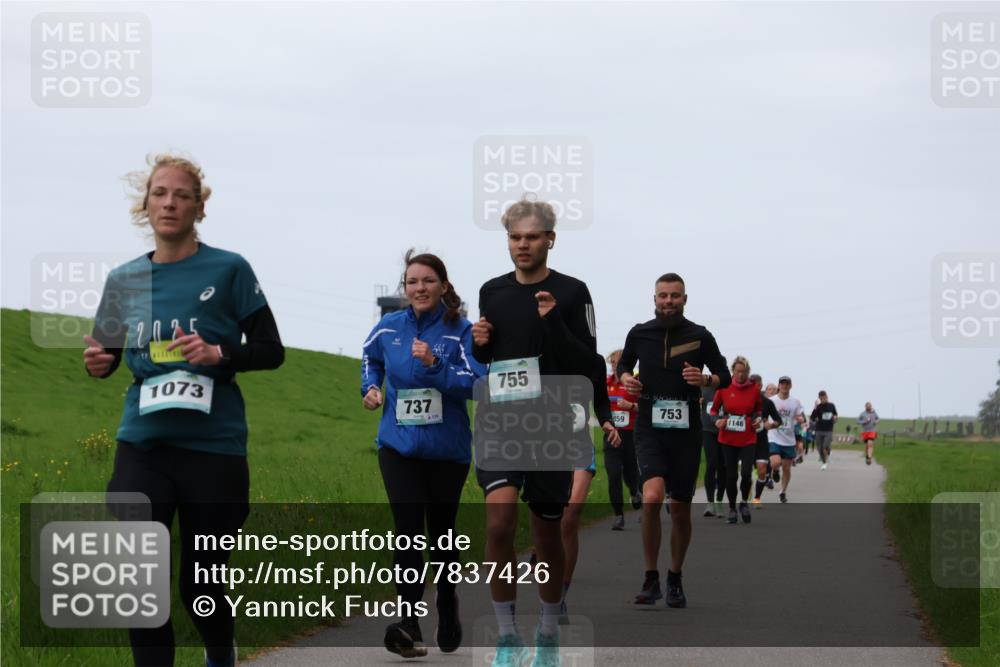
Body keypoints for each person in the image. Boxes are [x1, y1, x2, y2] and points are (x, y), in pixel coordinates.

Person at [84, 154, 284, 667]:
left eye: (182, 195)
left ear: (199, 207)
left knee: (202, 583)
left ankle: (221, 653)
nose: (169, 202)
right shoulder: (124, 278)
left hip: (212, 448)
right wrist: (98, 362)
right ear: (145, 204)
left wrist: (220, 353)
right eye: (159, 193)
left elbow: (270, 350)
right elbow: (105, 356)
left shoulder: (229, 268)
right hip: (144, 444)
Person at [471, 199, 598, 666]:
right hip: (499, 422)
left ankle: (547, 633)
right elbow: (492, 357)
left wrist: (554, 323)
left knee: (547, 534)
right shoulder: (492, 291)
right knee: (499, 525)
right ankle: (507, 637)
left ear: (550, 239)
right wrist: (478, 344)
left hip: (549, 424)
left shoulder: (572, 291)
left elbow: (587, 361)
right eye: (514, 237)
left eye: (531, 237)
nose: (522, 245)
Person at [361, 250, 486, 658]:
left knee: (442, 535)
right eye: (412, 281)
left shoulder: (461, 330)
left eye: (428, 280)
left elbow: (475, 383)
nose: (419, 288)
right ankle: (409, 621)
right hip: (397, 445)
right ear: (405, 287)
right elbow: (370, 358)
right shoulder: (388, 327)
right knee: (408, 527)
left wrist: (435, 365)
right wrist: (371, 388)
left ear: (444, 286)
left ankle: (447, 602)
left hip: (446, 450)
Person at [618, 273, 731, 608]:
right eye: (663, 295)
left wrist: (706, 378)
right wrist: (627, 378)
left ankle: (675, 577)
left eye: (675, 296)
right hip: (650, 423)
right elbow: (625, 365)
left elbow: (722, 372)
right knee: (652, 496)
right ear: (654, 299)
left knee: (680, 509)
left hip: (686, 427)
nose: (668, 301)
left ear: (684, 299)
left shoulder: (699, 335)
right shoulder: (640, 333)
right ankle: (650, 577)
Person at [559, 354, 620, 621]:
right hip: (544, 446)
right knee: (550, 520)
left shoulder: (592, 361)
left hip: (579, 446)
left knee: (570, 516)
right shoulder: (540, 351)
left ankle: (560, 594)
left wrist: (607, 423)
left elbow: (601, 401)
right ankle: (544, 552)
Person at [710, 357, 761, 524]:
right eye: (737, 371)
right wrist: (717, 420)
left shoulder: (754, 390)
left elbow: (759, 411)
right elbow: (713, 410)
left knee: (746, 473)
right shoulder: (724, 388)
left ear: (748, 372)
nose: (740, 374)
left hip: (748, 437)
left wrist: (757, 420)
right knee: (731, 476)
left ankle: (744, 503)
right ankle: (732, 508)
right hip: (728, 437)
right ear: (733, 371)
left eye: (743, 371)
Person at [604, 349, 641, 529]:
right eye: (612, 363)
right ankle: (618, 515)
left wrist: (631, 406)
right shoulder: (606, 383)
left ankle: (634, 491)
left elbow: (647, 408)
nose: (614, 366)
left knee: (631, 473)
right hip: (611, 434)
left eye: (617, 363)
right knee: (613, 473)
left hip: (630, 435)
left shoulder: (634, 384)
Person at [767, 376, 805, 503]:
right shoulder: (771, 400)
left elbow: (800, 415)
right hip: (774, 436)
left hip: (789, 439)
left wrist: (800, 419)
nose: (784, 386)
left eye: (787, 384)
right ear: (779, 386)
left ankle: (782, 492)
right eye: (782, 384)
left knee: (787, 469)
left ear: (790, 386)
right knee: (776, 462)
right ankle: (775, 470)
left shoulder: (795, 402)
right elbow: (764, 414)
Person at [750, 374, 782, 506]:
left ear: (760, 386)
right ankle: (746, 494)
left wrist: (772, 424)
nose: (753, 387)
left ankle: (757, 497)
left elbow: (778, 420)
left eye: (756, 385)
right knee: (746, 473)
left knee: (762, 470)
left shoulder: (768, 403)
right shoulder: (743, 400)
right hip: (745, 441)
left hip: (762, 440)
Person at [700, 382, 726, 518]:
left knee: (723, 467)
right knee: (711, 464)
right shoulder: (702, 387)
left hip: (725, 431)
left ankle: (719, 500)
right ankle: (710, 502)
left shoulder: (727, 387)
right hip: (707, 429)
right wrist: (698, 402)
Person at [810, 391, 838, 470]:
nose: (823, 399)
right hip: (819, 429)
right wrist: (815, 408)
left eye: (825, 397)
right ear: (819, 398)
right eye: (821, 398)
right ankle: (824, 461)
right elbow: (812, 417)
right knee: (819, 447)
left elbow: (835, 415)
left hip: (828, 430)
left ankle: (825, 461)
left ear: (827, 397)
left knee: (825, 446)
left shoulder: (831, 405)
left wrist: (835, 418)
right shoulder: (818, 407)